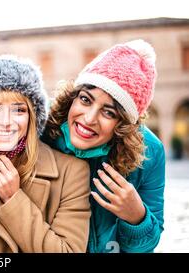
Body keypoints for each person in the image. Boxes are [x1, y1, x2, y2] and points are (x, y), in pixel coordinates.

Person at [42, 40, 165, 253]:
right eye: (85, 99)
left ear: (124, 125)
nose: (89, 119)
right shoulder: (41, 128)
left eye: (109, 112)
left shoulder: (150, 152)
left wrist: (136, 216)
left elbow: (145, 247)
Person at [0, 55, 91, 253]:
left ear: (32, 117)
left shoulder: (72, 172)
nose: (6, 121)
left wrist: (14, 199)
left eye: (19, 110)